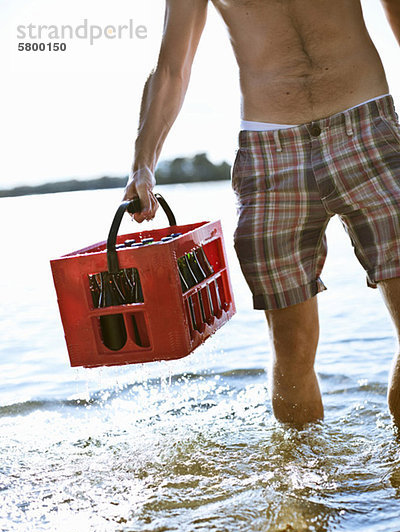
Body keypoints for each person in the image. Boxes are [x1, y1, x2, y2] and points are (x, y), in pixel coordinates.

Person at [123, 0, 400, 427]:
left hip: (367, 127)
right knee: (291, 347)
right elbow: (171, 69)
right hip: (269, 152)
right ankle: (305, 484)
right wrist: (143, 165)